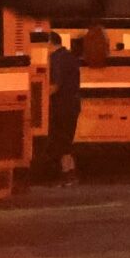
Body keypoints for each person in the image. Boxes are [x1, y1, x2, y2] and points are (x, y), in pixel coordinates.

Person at [39, 33, 81, 184]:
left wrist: (40, 98)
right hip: (73, 105)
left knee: (60, 141)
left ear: (50, 42)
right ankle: (69, 173)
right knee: (66, 141)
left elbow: (55, 85)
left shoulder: (56, 59)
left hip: (61, 106)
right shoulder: (70, 57)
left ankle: (67, 174)